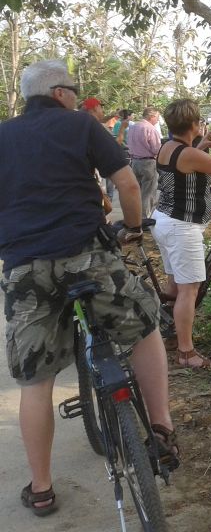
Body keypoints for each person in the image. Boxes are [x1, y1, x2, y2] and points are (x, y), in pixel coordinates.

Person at [0, 60, 177, 517]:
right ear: (59, 93)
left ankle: (41, 488)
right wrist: (133, 229)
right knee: (144, 325)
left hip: (25, 269)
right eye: (74, 91)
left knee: (36, 381)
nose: (78, 98)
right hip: (87, 257)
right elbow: (126, 185)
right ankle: (160, 429)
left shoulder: (3, 135)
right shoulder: (81, 125)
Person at [150, 99, 211, 369]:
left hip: (165, 220)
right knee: (189, 290)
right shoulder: (188, 153)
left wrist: (201, 146)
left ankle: (167, 333)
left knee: (176, 284)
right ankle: (186, 353)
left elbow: (183, 165)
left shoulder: (170, 147)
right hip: (181, 226)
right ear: (194, 124)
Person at [127, 107, 162, 217]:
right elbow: (156, 149)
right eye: (157, 117)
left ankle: (135, 216)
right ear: (152, 117)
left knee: (136, 192)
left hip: (134, 162)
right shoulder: (150, 129)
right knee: (148, 193)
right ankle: (144, 218)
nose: (157, 120)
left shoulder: (133, 127)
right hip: (148, 163)